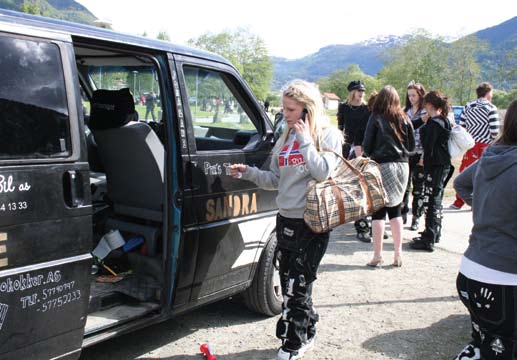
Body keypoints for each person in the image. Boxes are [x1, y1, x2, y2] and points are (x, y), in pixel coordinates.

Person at [229, 80, 342, 360]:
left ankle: (294, 342)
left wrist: (305, 141)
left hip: (312, 222)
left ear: (308, 109)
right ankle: (308, 327)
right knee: (292, 280)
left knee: (296, 286)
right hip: (286, 219)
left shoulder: (328, 136)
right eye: (285, 108)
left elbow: (322, 172)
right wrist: (249, 173)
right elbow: (276, 180)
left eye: (291, 109)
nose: (286, 114)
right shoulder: (286, 136)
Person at [452, 100, 517, 360]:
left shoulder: (494, 155)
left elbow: (461, 182)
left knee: (486, 344)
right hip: (503, 278)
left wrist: (487, 209)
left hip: (471, 271)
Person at [362, 85, 415, 267]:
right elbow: (412, 146)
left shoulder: (375, 118)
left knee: (378, 211)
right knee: (396, 210)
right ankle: (398, 255)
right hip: (402, 166)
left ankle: (377, 255)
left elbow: (367, 146)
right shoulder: (405, 118)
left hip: (382, 165)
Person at [410, 91, 452, 251]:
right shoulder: (444, 120)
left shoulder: (434, 123)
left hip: (435, 165)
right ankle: (434, 232)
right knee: (436, 198)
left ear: (429, 104)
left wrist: (423, 159)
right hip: (443, 164)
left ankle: (429, 237)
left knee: (431, 199)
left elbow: (429, 145)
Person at [450, 82, 500, 209]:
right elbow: (494, 131)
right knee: (483, 173)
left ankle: (459, 201)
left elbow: (462, 126)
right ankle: (477, 201)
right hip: (485, 144)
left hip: (470, 143)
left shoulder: (468, 106)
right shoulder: (491, 108)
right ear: (488, 93)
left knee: (465, 171)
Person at [337, 80, 372, 242]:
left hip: (363, 149)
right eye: (358, 91)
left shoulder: (367, 109)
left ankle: (364, 224)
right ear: (352, 92)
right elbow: (340, 129)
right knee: (348, 185)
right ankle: (351, 216)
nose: (361, 93)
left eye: (363, 91)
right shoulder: (344, 107)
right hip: (348, 148)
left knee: (363, 186)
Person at [402, 82, 428, 230]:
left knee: (418, 187)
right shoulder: (405, 111)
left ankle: (416, 217)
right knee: (405, 186)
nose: (411, 98)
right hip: (408, 153)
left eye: (414, 95)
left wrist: (424, 155)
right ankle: (402, 213)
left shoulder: (425, 112)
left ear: (420, 95)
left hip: (420, 153)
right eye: (409, 95)